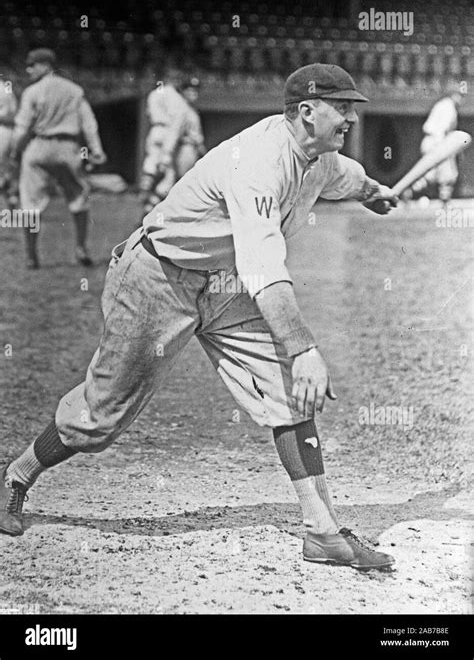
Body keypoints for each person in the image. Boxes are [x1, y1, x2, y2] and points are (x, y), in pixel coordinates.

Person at [0, 64, 398, 571]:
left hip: (224, 285)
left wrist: (374, 193)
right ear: (305, 111)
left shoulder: (317, 156)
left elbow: (346, 176)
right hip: (159, 277)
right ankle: (17, 474)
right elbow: (263, 268)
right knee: (99, 419)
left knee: (287, 390)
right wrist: (303, 348)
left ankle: (322, 532)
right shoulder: (258, 160)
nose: (350, 119)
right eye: (341, 109)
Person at [10, 48, 107, 269]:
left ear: (45, 65)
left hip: (39, 145)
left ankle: (31, 256)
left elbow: (21, 128)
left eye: (32, 65)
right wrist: (96, 150)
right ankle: (81, 248)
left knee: (30, 205)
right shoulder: (74, 90)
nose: (28, 69)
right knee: (79, 199)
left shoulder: (32, 91)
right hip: (68, 147)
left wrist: (15, 153)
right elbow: (89, 123)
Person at [139, 67, 189, 215]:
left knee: (151, 164)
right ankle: (148, 208)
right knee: (168, 176)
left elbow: (149, 113)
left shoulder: (154, 94)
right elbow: (176, 126)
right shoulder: (178, 99)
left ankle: (144, 191)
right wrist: (168, 151)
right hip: (167, 132)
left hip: (155, 130)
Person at [410, 91, 464, 206]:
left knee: (429, 174)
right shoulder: (449, 107)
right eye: (460, 96)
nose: (461, 100)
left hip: (429, 141)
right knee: (447, 174)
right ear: (454, 95)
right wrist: (445, 147)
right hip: (437, 141)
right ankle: (445, 203)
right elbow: (443, 129)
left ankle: (409, 191)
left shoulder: (440, 104)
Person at [175, 75, 206, 180]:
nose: (193, 93)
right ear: (183, 91)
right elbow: (176, 132)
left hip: (192, 148)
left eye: (196, 91)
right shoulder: (181, 108)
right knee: (183, 181)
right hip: (184, 148)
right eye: (190, 90)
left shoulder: (191, 109)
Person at [0, 74, 19, 211]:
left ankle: (11, 196)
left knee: (4, 170)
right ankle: (12, 197)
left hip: (3, 129)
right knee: (5, 169)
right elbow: (14, 112)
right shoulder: (6, 86)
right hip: (8, 132)